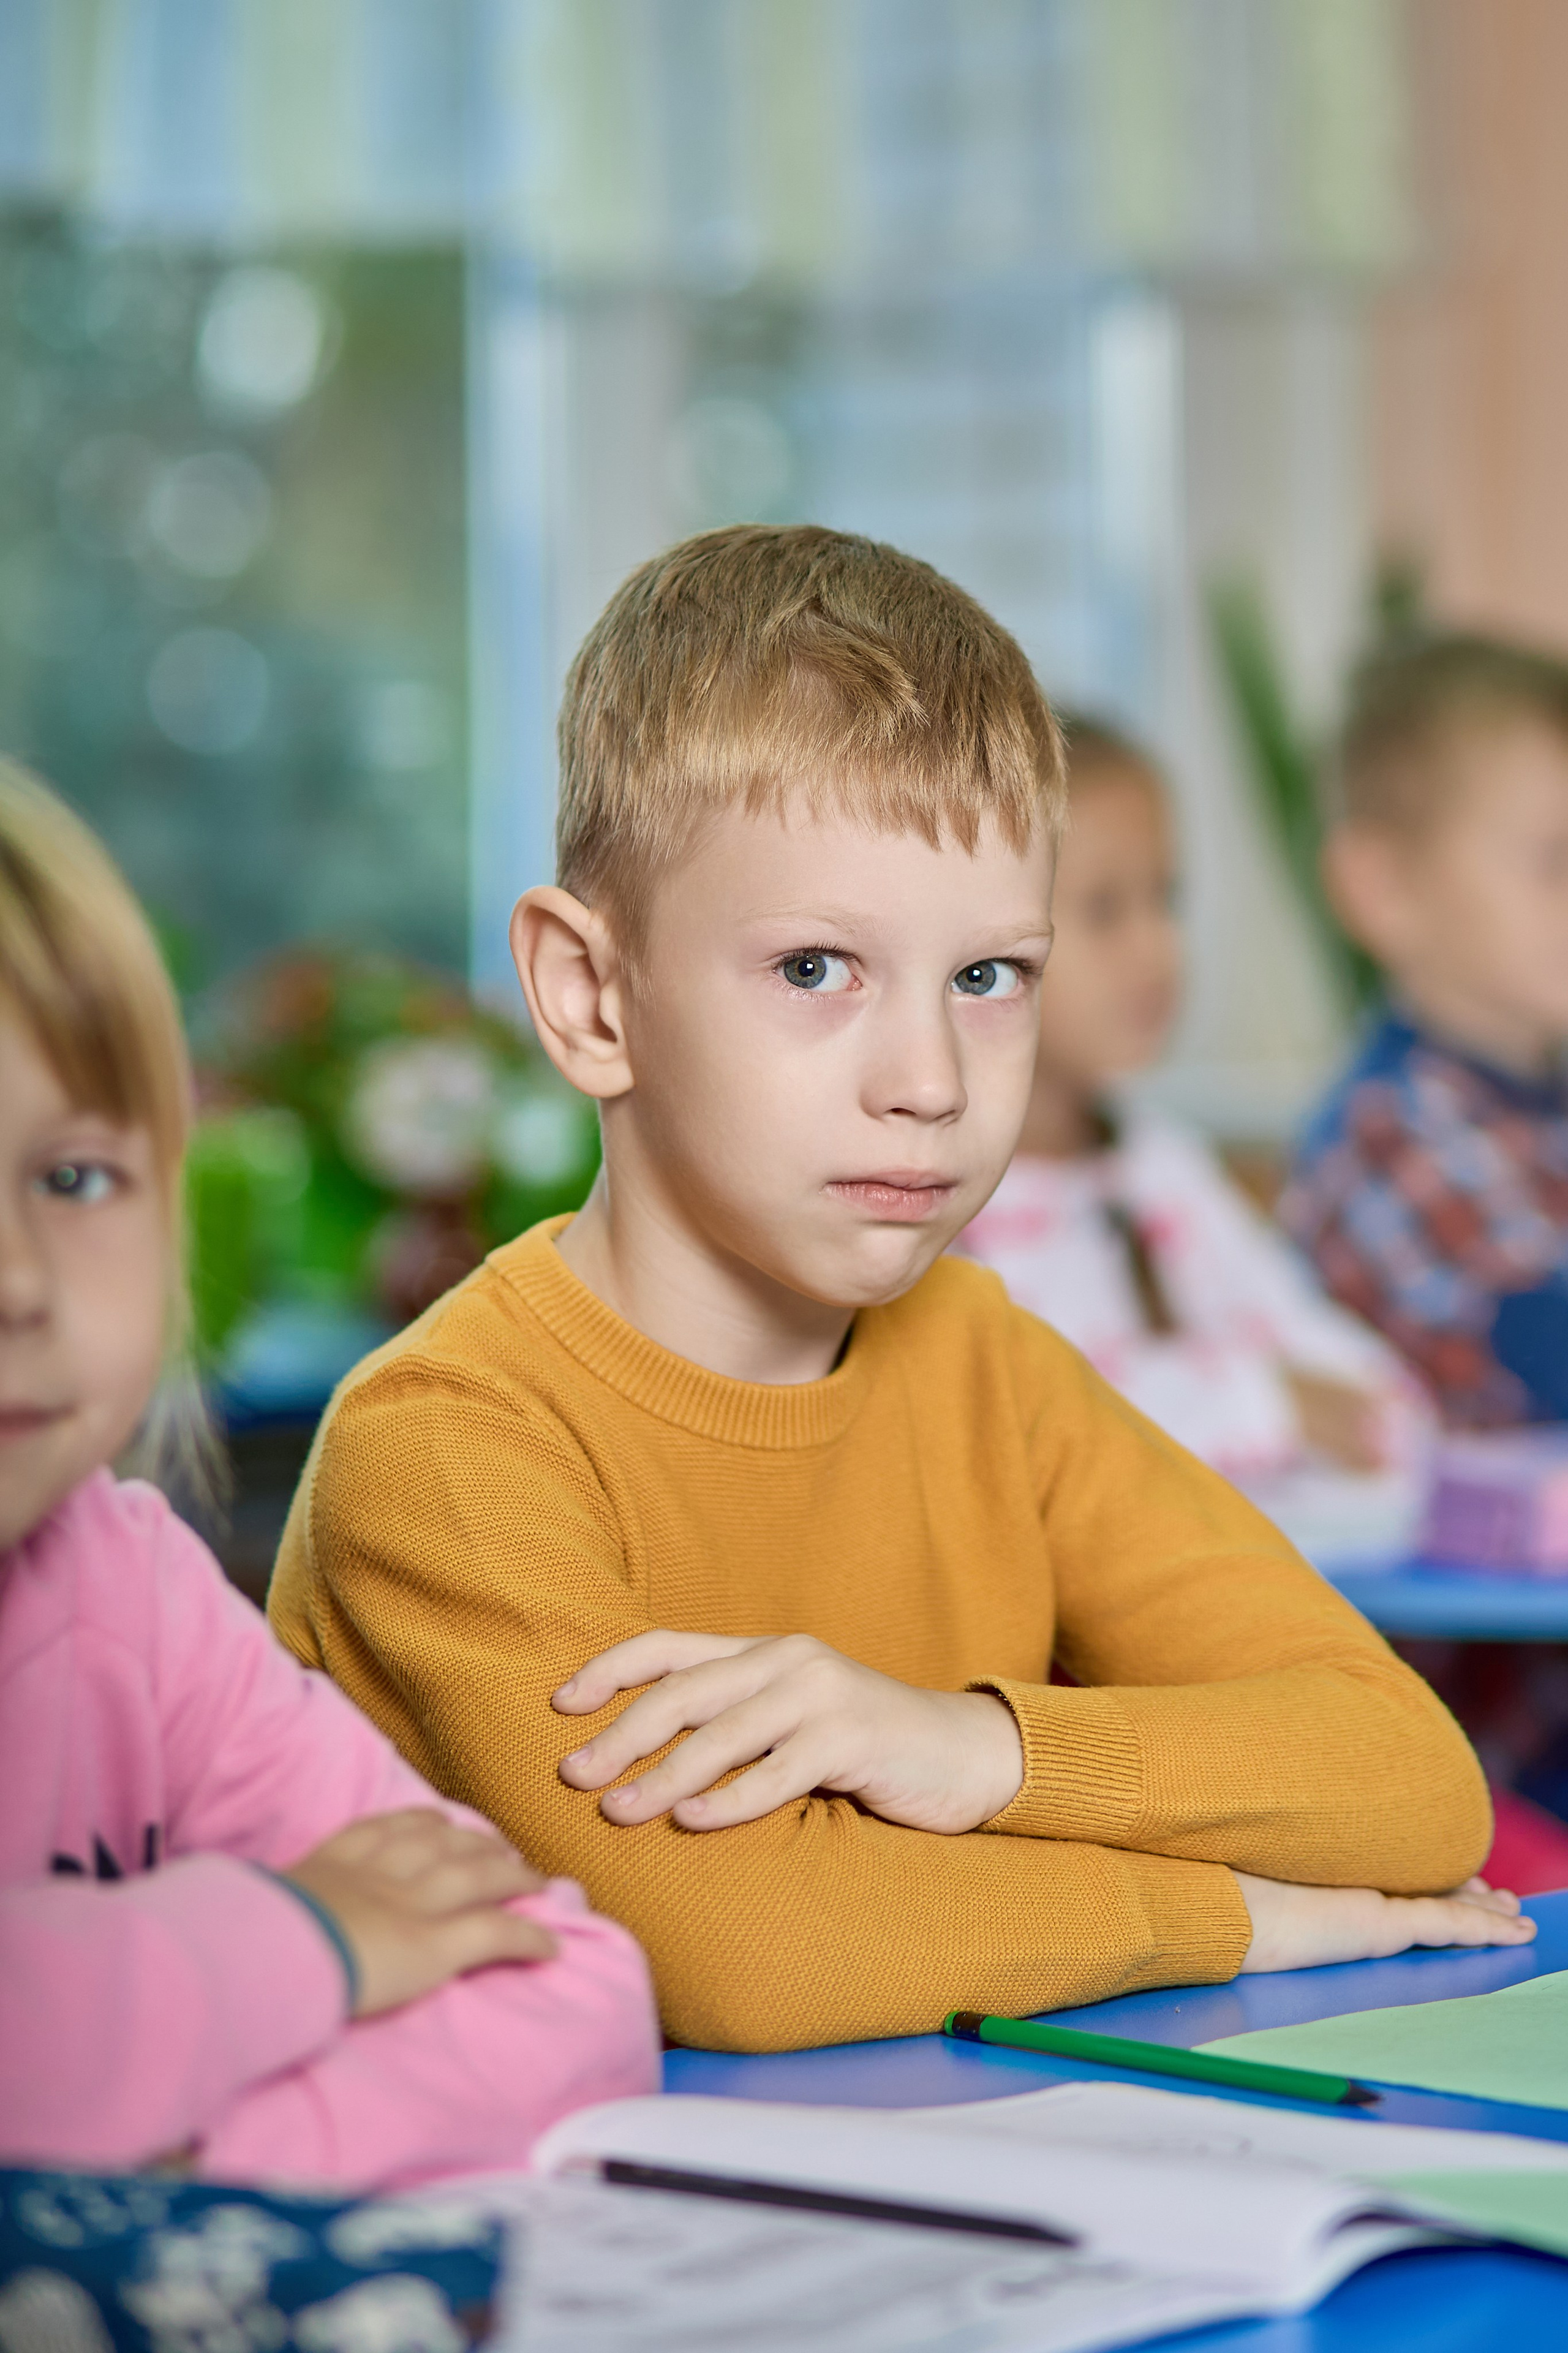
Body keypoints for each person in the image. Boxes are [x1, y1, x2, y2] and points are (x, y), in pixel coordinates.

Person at [270, 526, 1530, 2057]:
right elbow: (753, 1950)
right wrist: (1246, 1915)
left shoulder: (987, 1363)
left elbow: (1405, 1772)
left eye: (988, 976)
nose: (928, 1082)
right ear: (592, 997)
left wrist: (971, 1747)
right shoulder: (445, 1445)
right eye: (814, 969)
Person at [0, 761, 658, 2183]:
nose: (19, 1281)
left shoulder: (129, 1587)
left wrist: (157, 2168)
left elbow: (573, 1993)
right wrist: (295, 1938)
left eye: (71, 1178)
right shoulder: (443, 1417)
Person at [959, 716, 1426, 1487]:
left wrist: (1379, 1407)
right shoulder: (944, 1205)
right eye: (1105, 910)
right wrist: (1267, 1403)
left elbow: (1317, 1344)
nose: (1157, 948)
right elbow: (1034, 1424)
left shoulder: (1160, 1164)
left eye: (1165, 899)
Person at [1286, 633, 1568, 1428]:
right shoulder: (1391, 1135)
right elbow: (1550, 1352)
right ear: (1385, 890)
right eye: (1554, 858)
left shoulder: (1538, 1110)